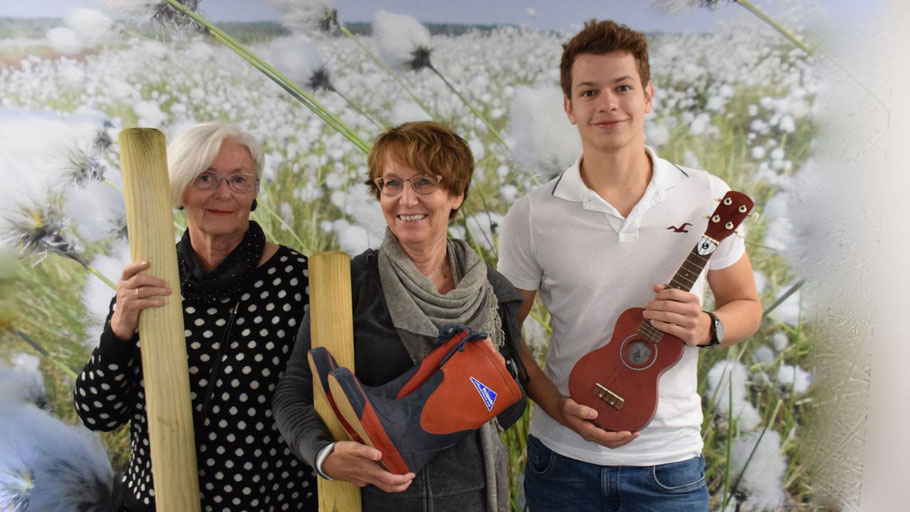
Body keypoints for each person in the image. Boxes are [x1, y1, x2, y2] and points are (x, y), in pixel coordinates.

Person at [497, 20, 763, 510]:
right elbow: (503, 334)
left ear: (648, 96)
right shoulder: (532, 215)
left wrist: (709, 326)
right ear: (569, 107)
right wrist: (555, 406)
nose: (608, 104)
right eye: (589, 91)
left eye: (622, 87)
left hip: (670, 464)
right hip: (561, 461)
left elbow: (746, 303)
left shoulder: (706, 196)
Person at [273, 121, 525, 512]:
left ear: (456, 194)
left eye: (424, 182)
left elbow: (509, 405)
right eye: (391, 184)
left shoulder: (493, 292)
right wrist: (322, 455)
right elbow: (294, 389)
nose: (406, 200)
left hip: (478, 499)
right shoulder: (350, 285)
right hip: (379, 502)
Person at [73, 122, 317, 512]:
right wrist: (119, 329)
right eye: (206, 177)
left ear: (254, 191)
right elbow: (97, 413)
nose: (224, 192)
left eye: (239, 179)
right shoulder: (147, 276)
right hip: (154, 501)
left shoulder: (301, 280)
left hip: (268, 503)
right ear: (180, 188)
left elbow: (324, 403)